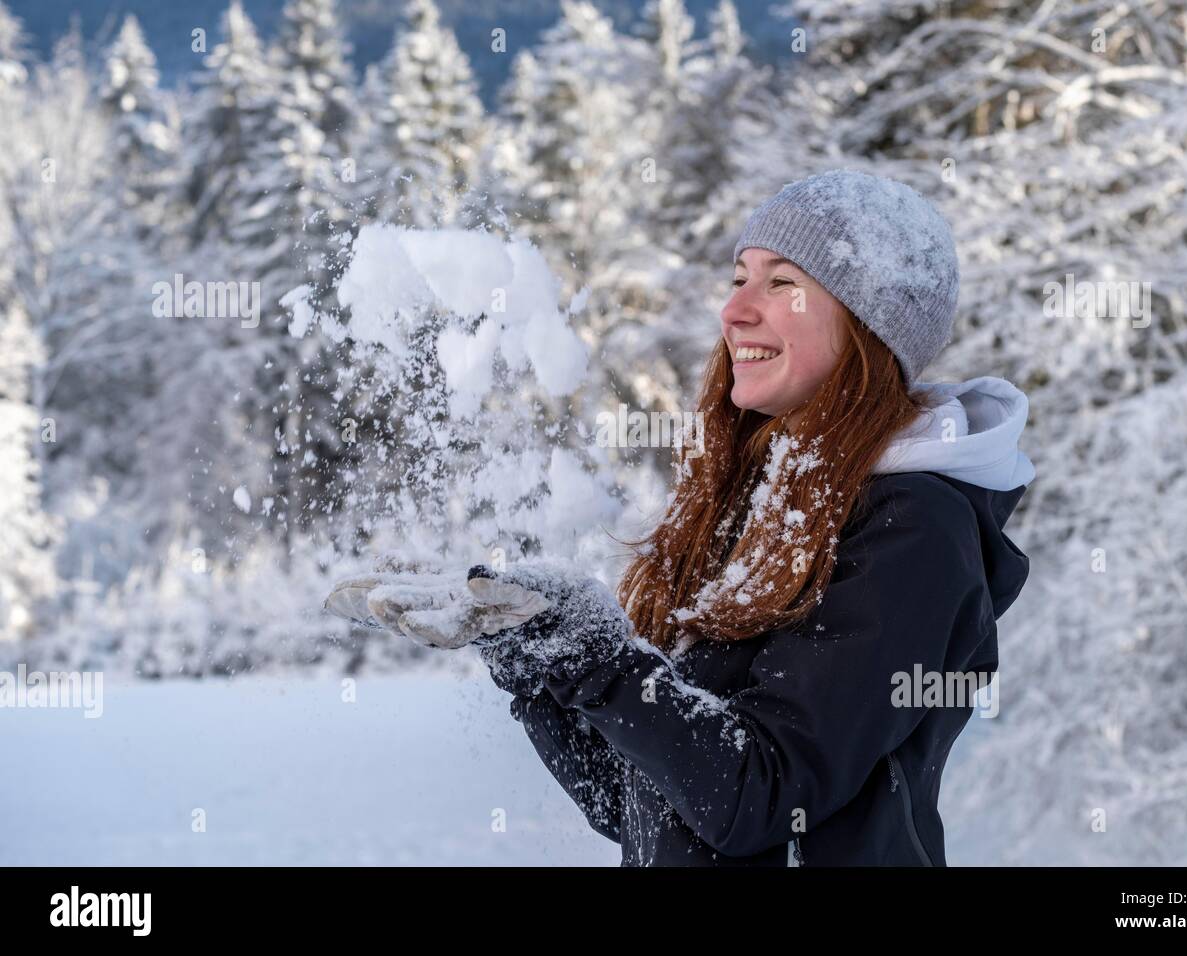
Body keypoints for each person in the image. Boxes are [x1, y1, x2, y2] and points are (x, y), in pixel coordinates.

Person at [326, 168, 1035, 866]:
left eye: (782, 283)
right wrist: (540, 662)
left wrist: (606, 663)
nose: (734, 310)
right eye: (738, 279)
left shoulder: (915, 530)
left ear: (870, 325)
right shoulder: (764, 505)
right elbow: (637, 804)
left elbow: (760, 798)